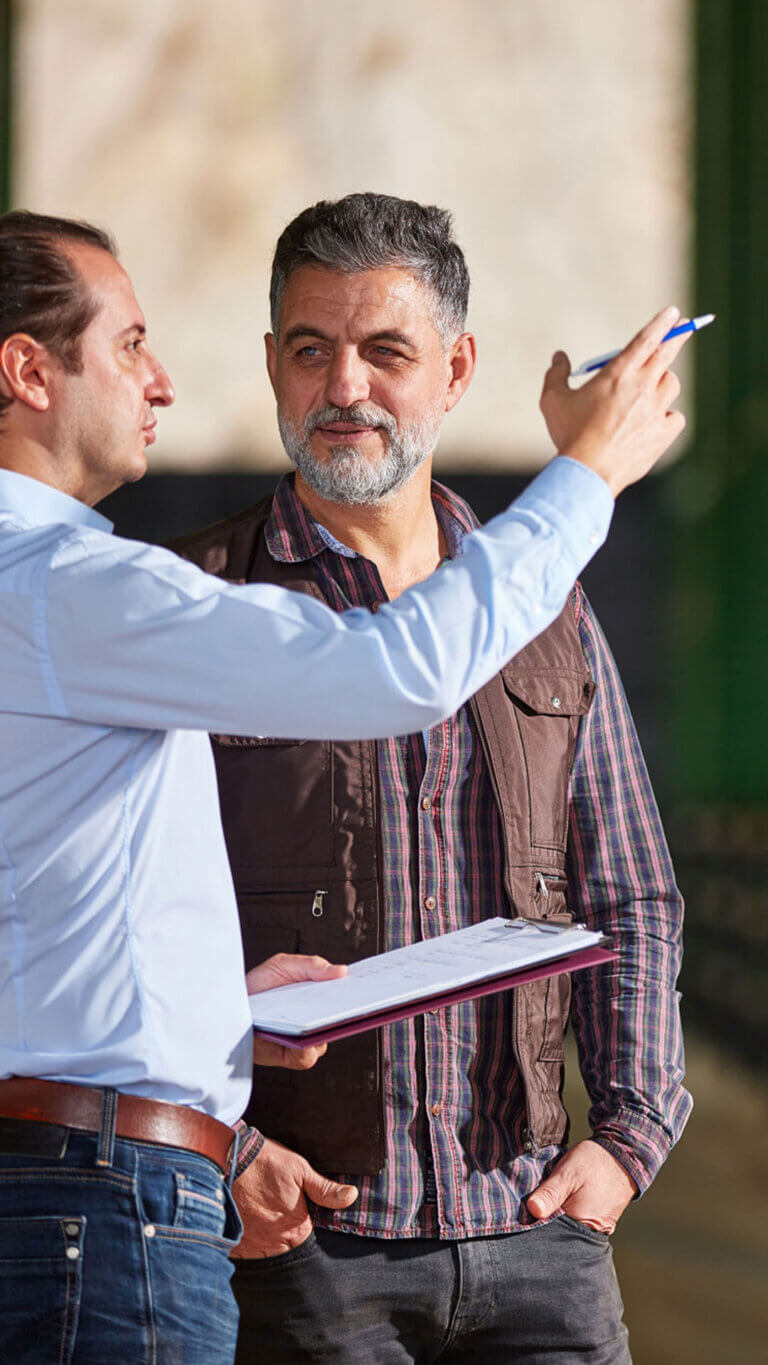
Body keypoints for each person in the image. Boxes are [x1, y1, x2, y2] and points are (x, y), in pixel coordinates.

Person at [0, 208, 680, 1364]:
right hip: (272, 1232)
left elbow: (635, 895)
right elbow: (398, 671)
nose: (343, 384)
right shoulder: (126, 594)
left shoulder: (546, 612)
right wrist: (590, 472)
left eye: (387, 353)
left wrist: (628, 1138)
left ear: (457, 370)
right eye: (309, 348)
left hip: (531, 1229)